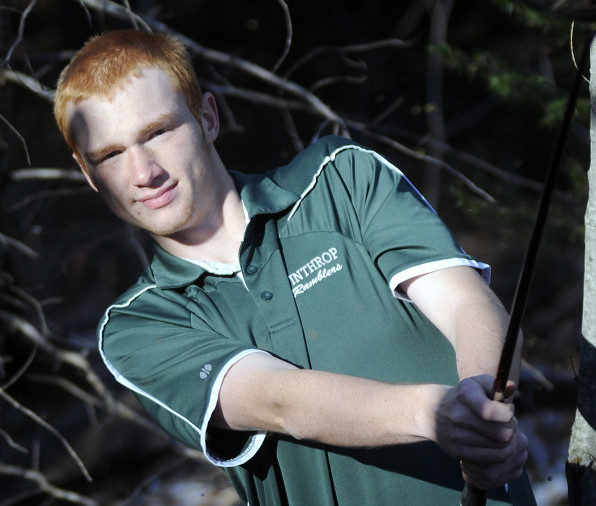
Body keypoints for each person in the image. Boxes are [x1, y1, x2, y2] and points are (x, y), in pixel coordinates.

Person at [53, 30, 536, 505]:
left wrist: (481, 403)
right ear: (88, 173)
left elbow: (464, 300)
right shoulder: (139, 326)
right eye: (111, 155)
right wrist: (436, 414)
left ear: (206, 116)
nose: (143, 173)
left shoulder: (339, 179)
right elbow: (280, 403)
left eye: (157, 132)